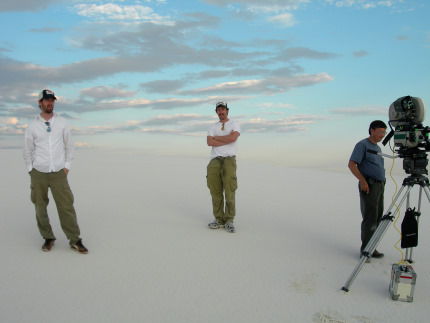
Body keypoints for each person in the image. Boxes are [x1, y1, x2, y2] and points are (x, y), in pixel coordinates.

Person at [23, 89, 88, 254]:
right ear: (40, 103)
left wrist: (66, 167)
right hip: (39, 172)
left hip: (59, 172)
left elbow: (69, 146)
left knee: (66, 206)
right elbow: (27, 150)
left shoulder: (62, 122)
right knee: (40, 207)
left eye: (52, 100)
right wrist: (31, 170)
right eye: (46, 100)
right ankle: (48, 237)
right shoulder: (32, 126)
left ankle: (75, 240)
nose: (50, 103)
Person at [348, 120, 387, 259]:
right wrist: (363, 181)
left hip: (379, 186)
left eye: (384, 132)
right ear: (371, 130)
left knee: (377, 217)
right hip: (369, 185)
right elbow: (352, 164)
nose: (383, 134)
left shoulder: (377, 147)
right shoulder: (362, 145)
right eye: (380, 132)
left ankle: (372, 247)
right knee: (370, 218)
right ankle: (365, 250)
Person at [206, 101, 240, 233]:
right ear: (216, 112)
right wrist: (226, 138)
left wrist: (217, 139)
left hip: (229, 160)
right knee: (215, 190)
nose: (221, 112)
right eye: (218, 110)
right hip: (215, 160)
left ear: (227, 111)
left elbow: (233, 138)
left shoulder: (234, 124)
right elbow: (209, 142)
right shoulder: (212, 127)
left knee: (230, 190)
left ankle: (229, 220)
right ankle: (219, 219)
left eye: (223, 109)